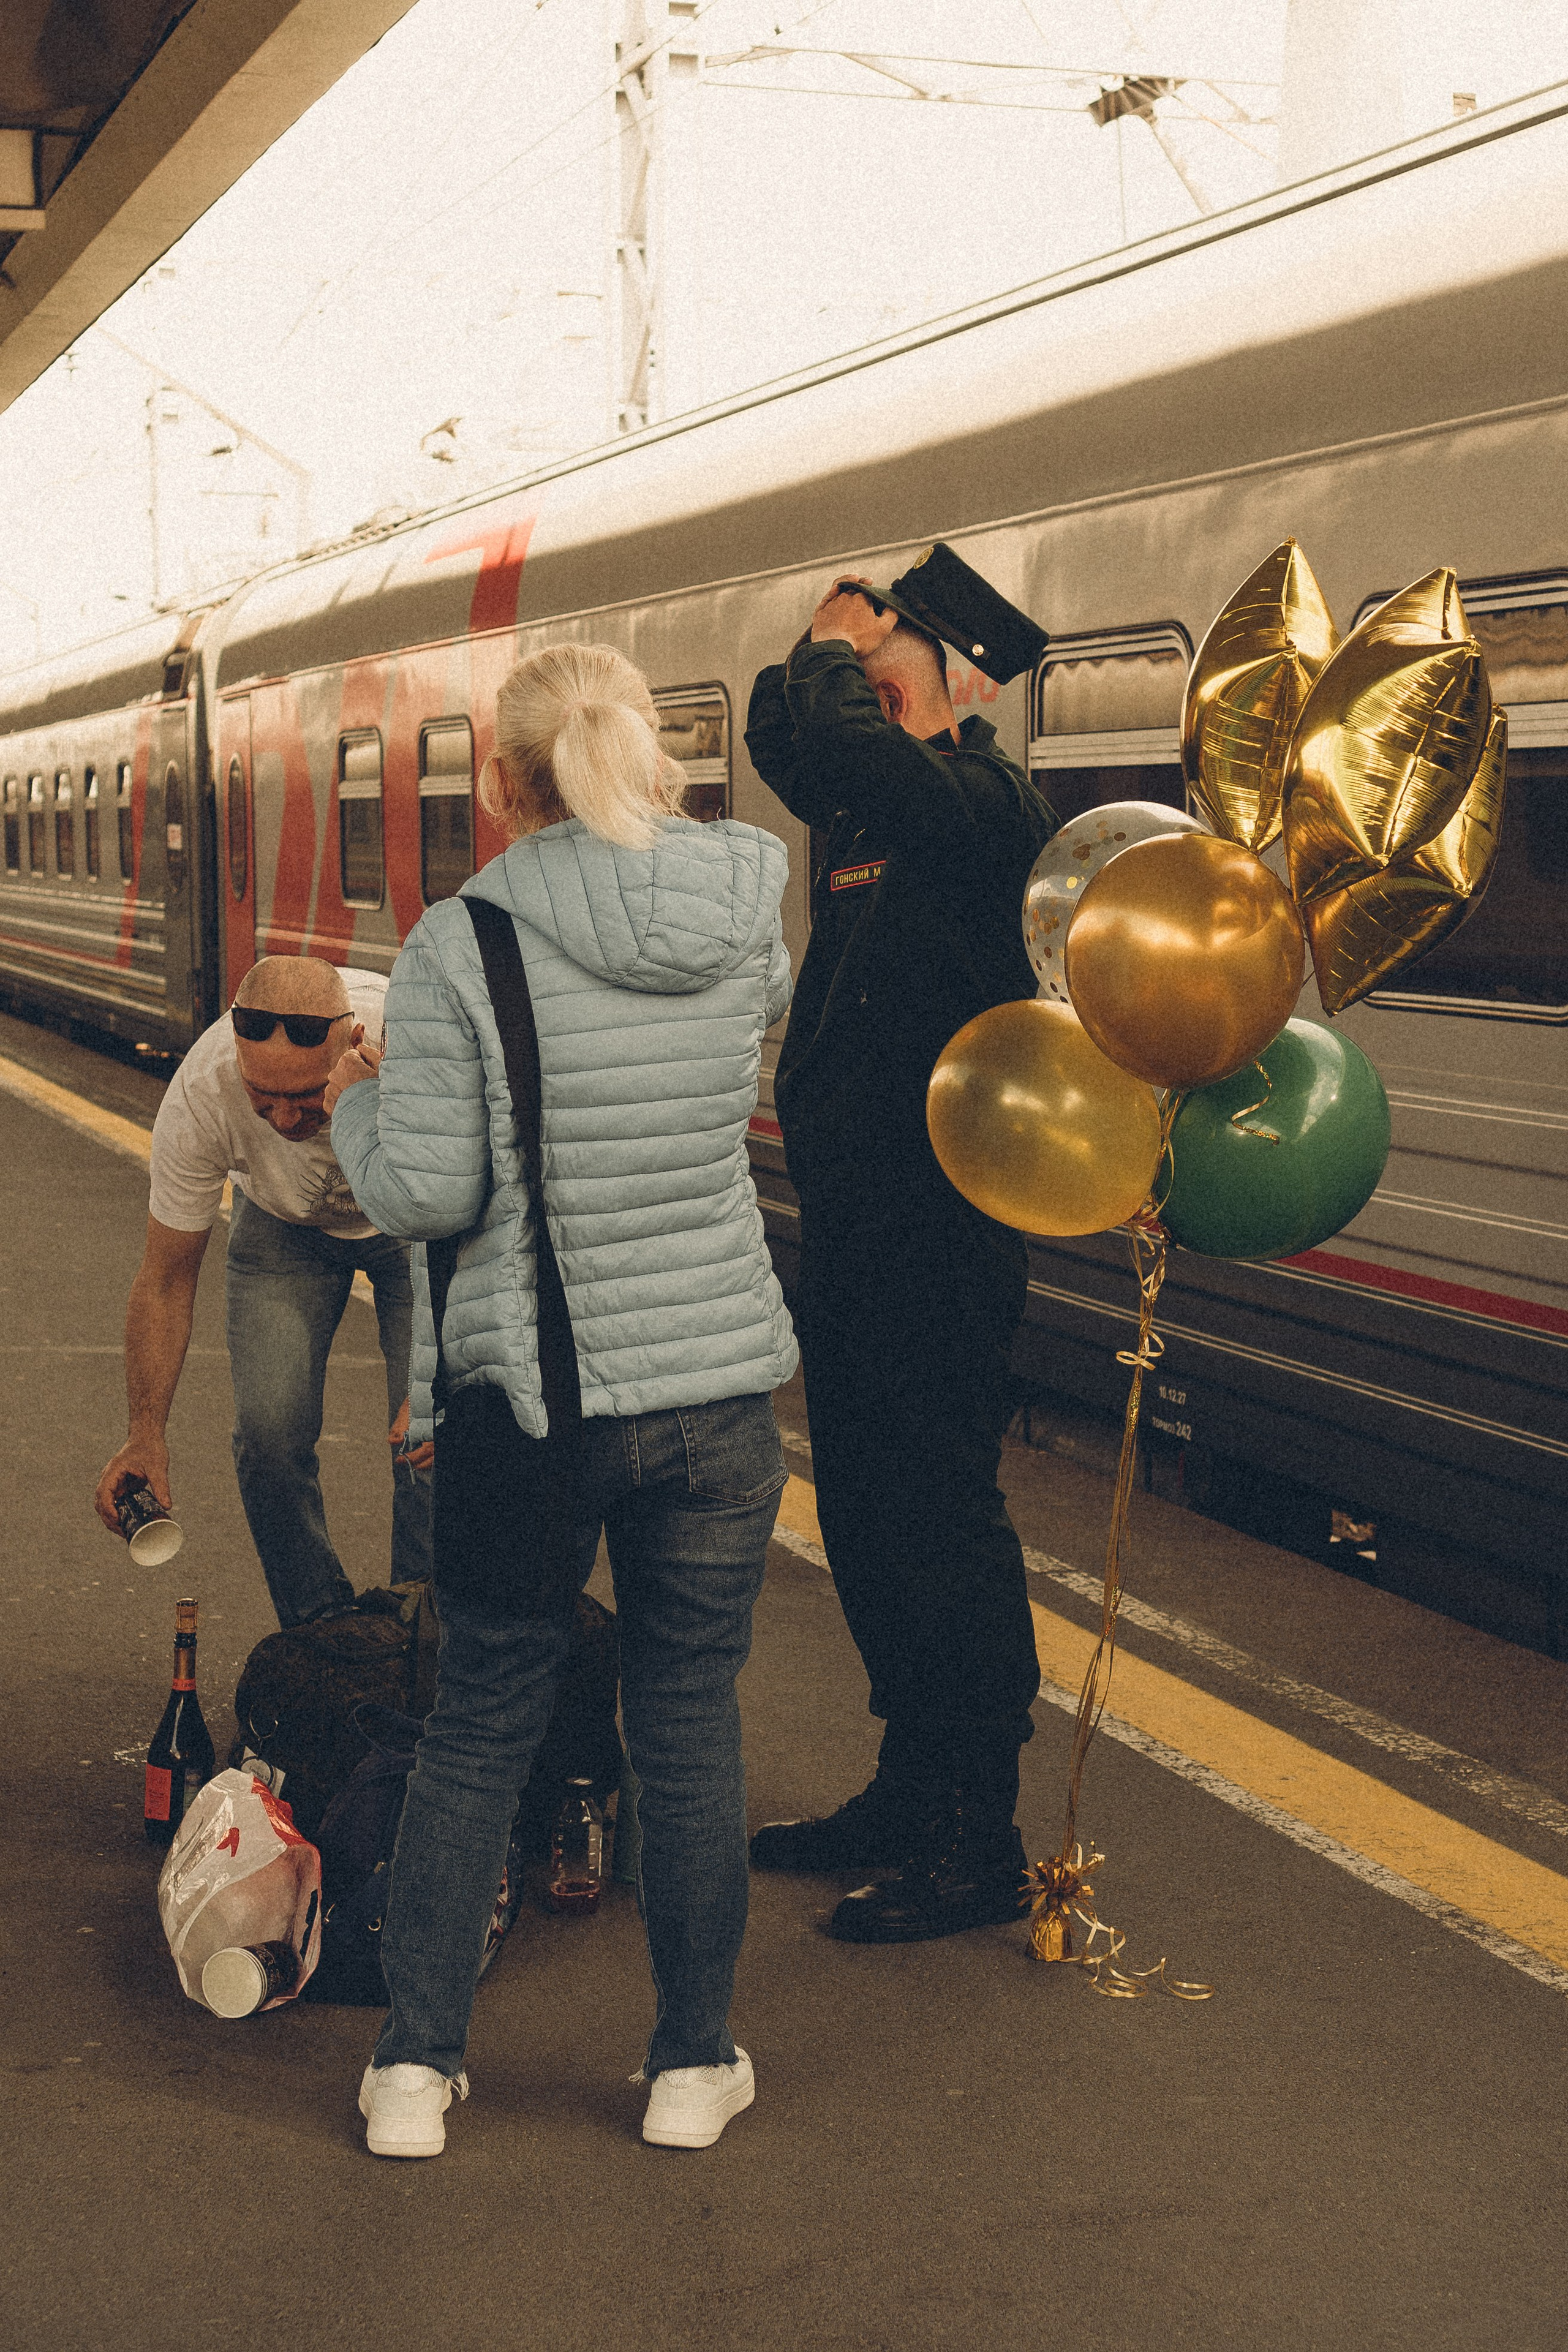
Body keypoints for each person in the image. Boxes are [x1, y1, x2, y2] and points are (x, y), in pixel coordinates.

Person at [327, 641, 796, 2161]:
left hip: (537, 1401)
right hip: (720, 1383)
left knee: (481, 1724)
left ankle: (414, 2070)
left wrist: (357, 1093)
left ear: (507, 783)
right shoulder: (746, 910)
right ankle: (687, 2065)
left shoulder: (460, 944)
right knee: (686, 1721)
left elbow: (429, 1185)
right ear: (646, 751)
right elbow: (709, 1104)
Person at [744, 543, 1057, 1945]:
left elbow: (833, 741)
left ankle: (973, 1831)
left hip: (945, 1230)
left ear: (943, 685)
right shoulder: (869, 807)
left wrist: (829, 652)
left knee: (938, 1518)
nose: (849, 701)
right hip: (862, 1219)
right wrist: (813, 657)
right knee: (865, 1511)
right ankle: (904, 1783)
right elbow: (780, 734)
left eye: (879, 678)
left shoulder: (980, 799)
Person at [93, 956, 433, 1627]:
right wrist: (144, 1435)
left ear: (356, 1040)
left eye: (307, 1097)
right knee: (269, 1437)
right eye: (262, 1098)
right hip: (282, 1228)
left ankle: (427, 1629)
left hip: (417, 1223)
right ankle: (320, 1635)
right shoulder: (202, 1090)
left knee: (431, 1436)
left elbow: (488, 1209)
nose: (281, 1118)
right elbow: (164, 1280)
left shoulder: (419, 1042)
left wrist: (445, 1375)